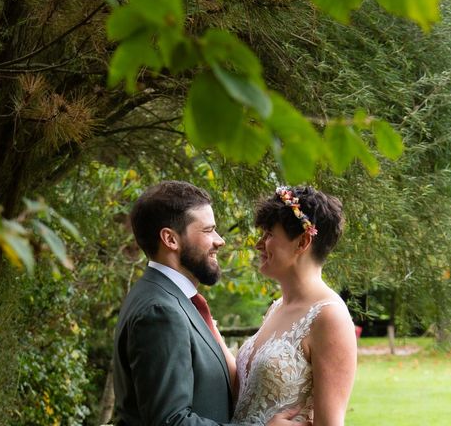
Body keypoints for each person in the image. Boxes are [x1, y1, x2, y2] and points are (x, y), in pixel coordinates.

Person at [113, 180, 308, 426]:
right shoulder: (160, 311)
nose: (220, 240)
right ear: (170, 239)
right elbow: (170, 421)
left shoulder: (166, 297)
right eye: (208, 230)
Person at [232, 186, 357, 426]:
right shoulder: (276, 307)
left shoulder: (329, 317)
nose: (259, 244)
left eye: (269, 234)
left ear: (303, 241)